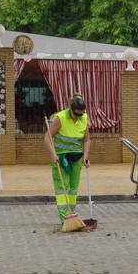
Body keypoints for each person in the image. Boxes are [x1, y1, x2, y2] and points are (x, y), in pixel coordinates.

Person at [44, 94, 91, 224]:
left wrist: (85, 156)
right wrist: (53, 154)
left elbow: (86, 140)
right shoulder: (60, 118)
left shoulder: (84, 118)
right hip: (61, 158)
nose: (79, 117)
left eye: (82, 114)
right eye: (77, 114)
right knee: (63, 188)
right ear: (70, 109)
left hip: (76, 158)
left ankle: (72, 215)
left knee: (73, 189)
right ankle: (65, 218)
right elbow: (47, 137)